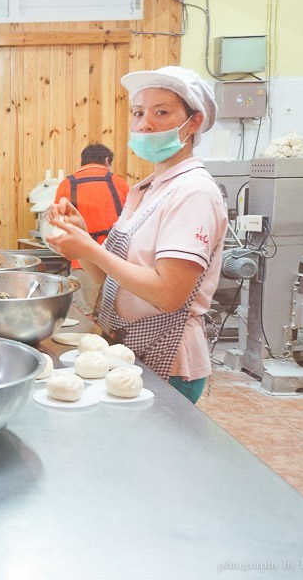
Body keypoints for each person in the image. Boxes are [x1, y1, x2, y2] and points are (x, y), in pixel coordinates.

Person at [45, 66, 227, 405]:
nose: (145, 124)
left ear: (194, 122)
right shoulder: (146, 190)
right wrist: (82, 239)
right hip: (128, 349)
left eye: (162, 112)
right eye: (138, 113)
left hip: (168, 356)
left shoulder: (194, 191)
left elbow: (169, 293)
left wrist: (88, 247)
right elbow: (105, 275)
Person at [53, 144, 130, 313]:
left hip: (83, 261)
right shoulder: (119, 182)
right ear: (107, 161)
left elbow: (58, 221)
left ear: (83, 161)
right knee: (110, 318)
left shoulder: (67, 184)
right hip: (116, 262)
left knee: (82, 315)